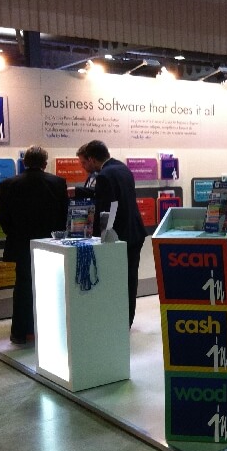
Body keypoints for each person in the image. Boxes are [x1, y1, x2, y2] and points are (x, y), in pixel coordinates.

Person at [0, 145, 68, 344]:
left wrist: (16, 235)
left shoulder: (9, 184)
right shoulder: (58, 183)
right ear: (45, 163)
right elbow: (64, 216)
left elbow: (3, 218)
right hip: (50, 244)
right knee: (51, 287)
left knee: (22, 288)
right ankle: (49, 331)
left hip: (21, 245)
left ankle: (20, 333)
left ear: (24, 162)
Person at [77, 140, 147, 329]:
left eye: (85, 162)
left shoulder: (104, 176)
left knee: (116, 281)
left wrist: (101, 235)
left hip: (119, 236)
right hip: (135, 232)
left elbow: (108, 210)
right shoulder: (123, 168)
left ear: (92, 159)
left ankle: (117, 322)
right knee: (130, 279)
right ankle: (127, 321)